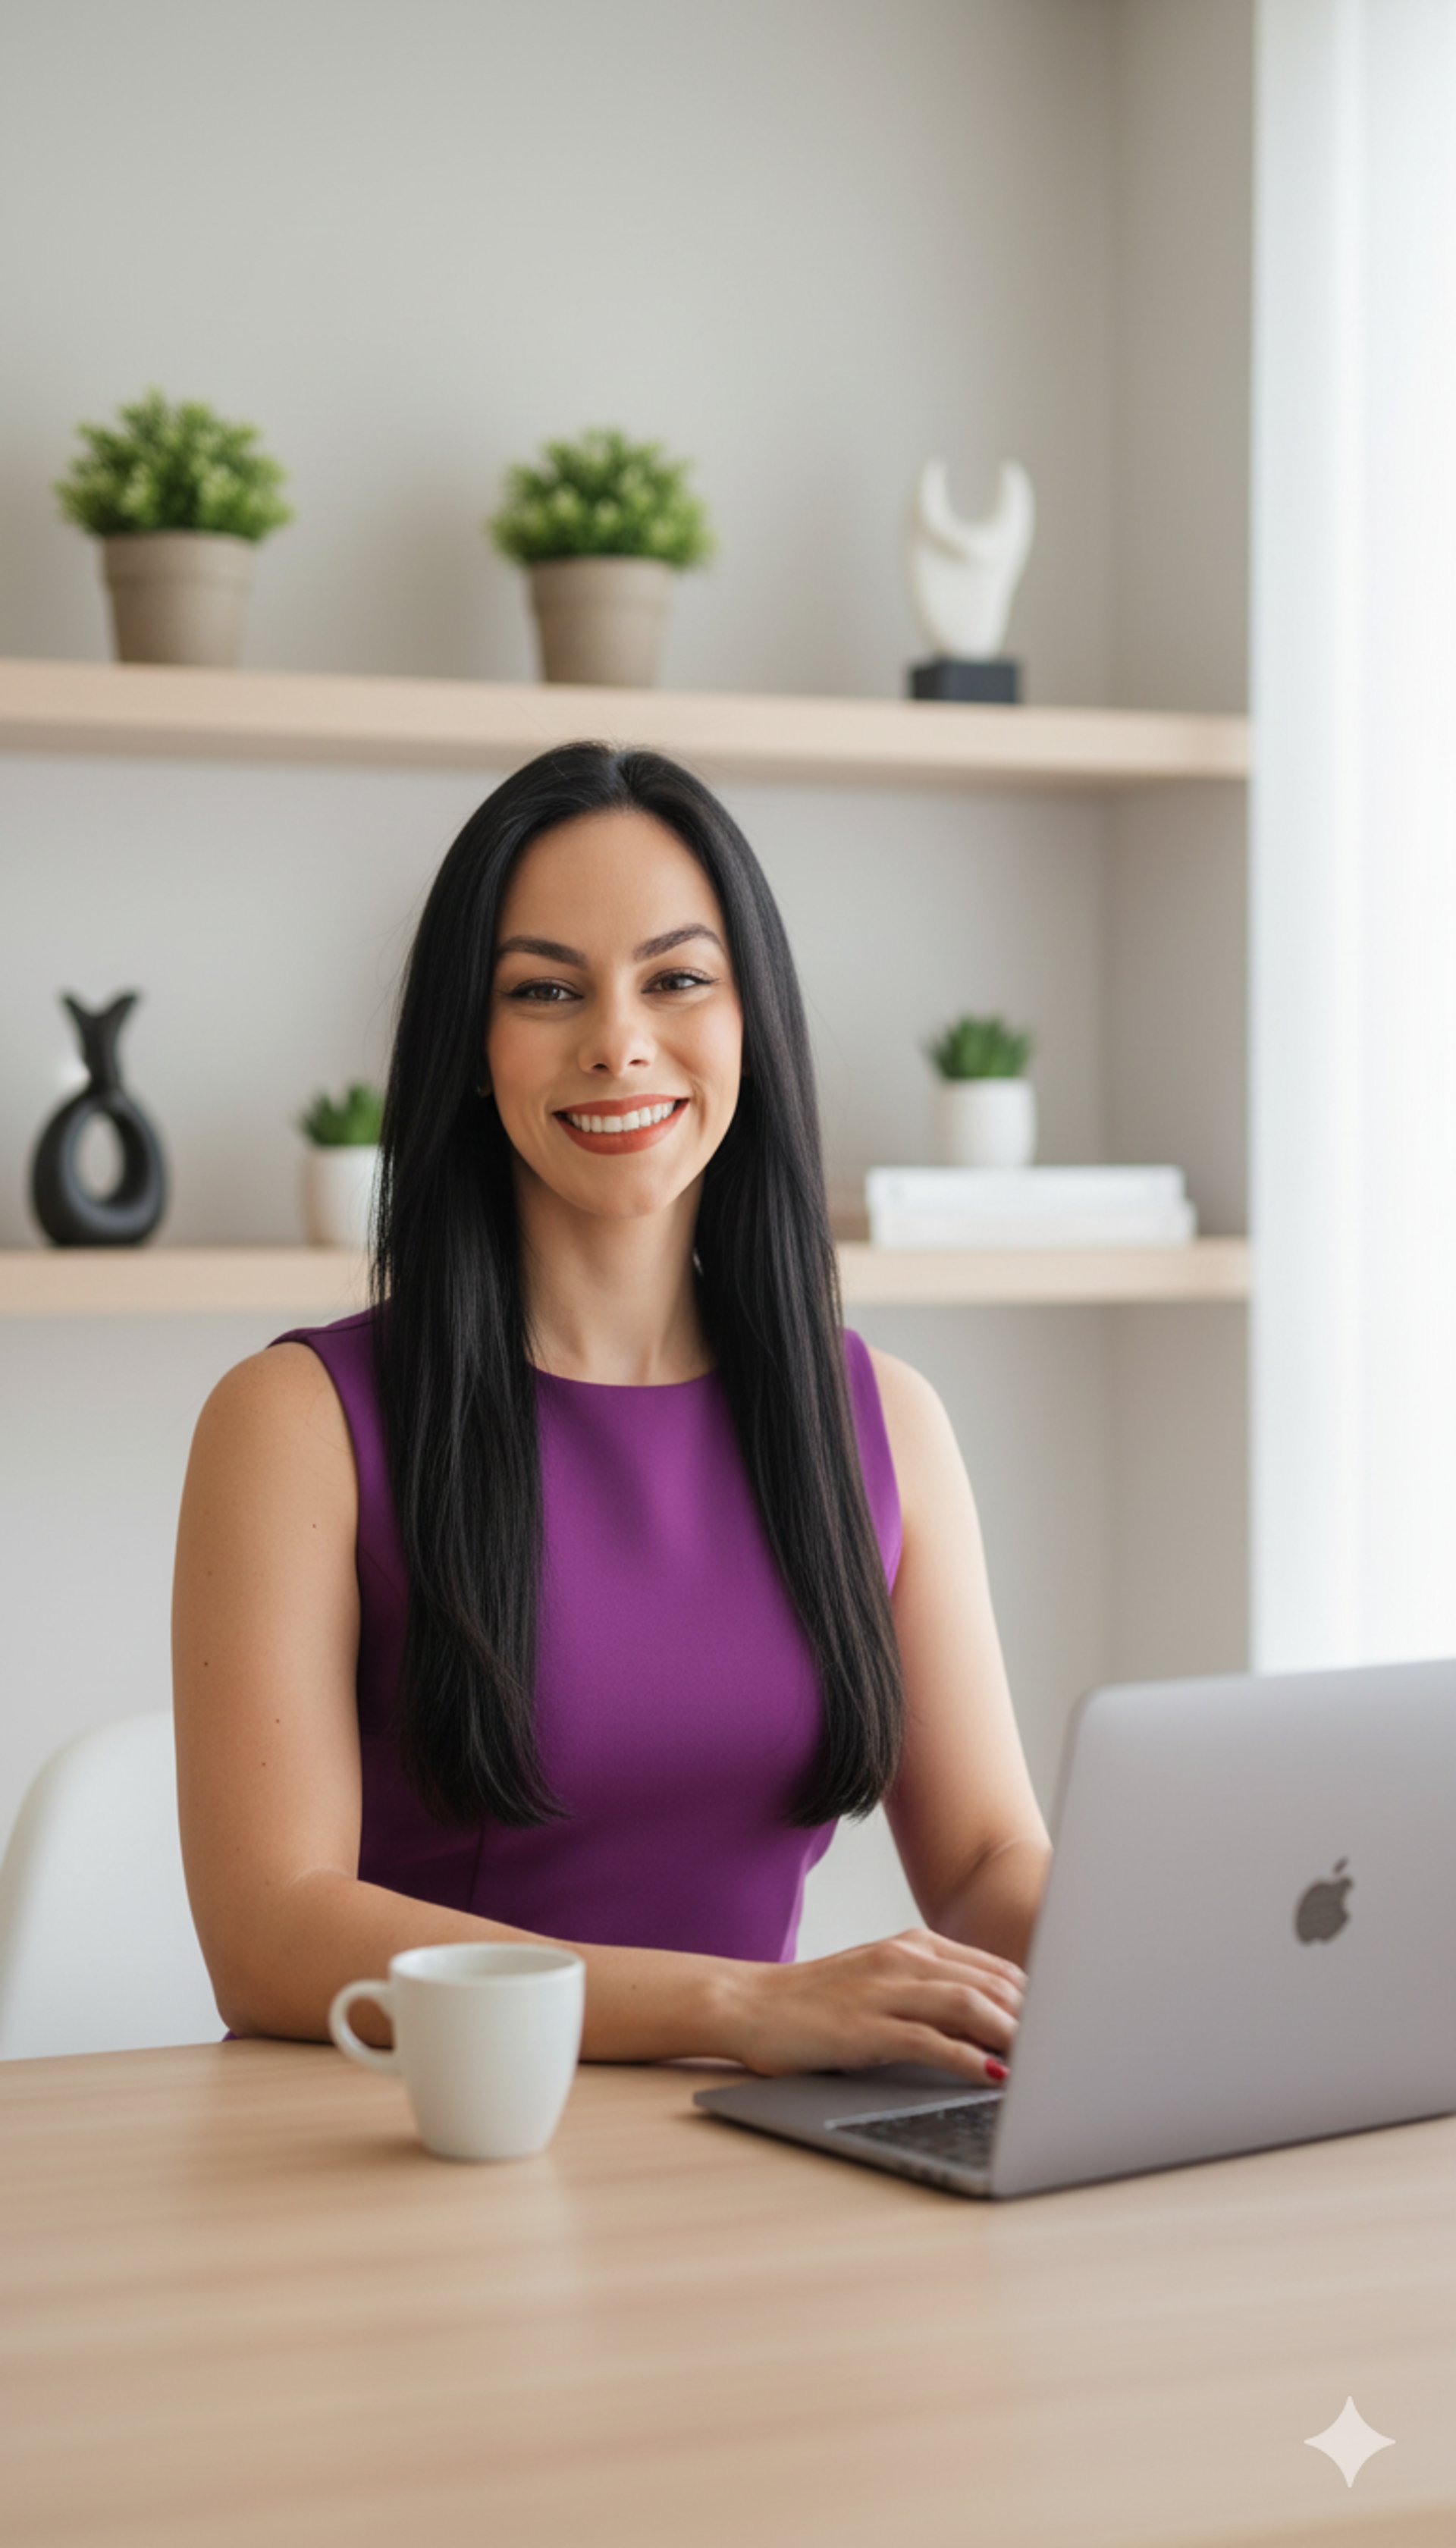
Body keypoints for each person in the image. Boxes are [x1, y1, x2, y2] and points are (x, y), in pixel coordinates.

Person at [173, 742, 1051, 2082]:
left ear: (748, 1020)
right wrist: (739, 2010)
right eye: (545, 990)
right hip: (418, 2157)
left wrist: (1212, 1951)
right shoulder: (298, 1423)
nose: (619, 1042)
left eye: (677, 979)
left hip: (752, 2170)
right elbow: (270, 1929)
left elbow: (989, 1864)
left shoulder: (884, 1419)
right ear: (473, 1047)